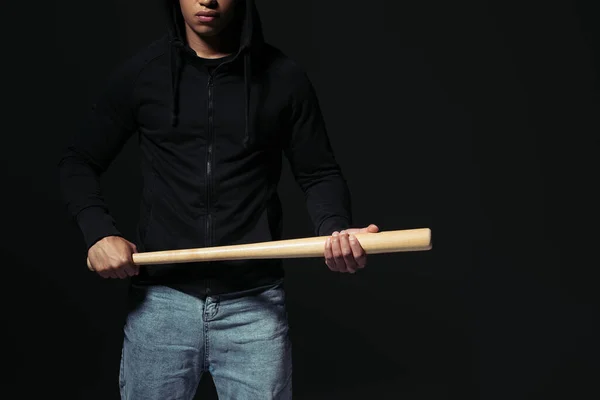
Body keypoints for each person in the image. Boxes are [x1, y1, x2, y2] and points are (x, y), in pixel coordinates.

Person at [58, 0, 379, 398]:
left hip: (254, 307)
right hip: (161, 305)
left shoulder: (283, 77)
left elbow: (318, 173)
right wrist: (97, 232)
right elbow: (78, 162)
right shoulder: (143, 75)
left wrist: (334, 230)